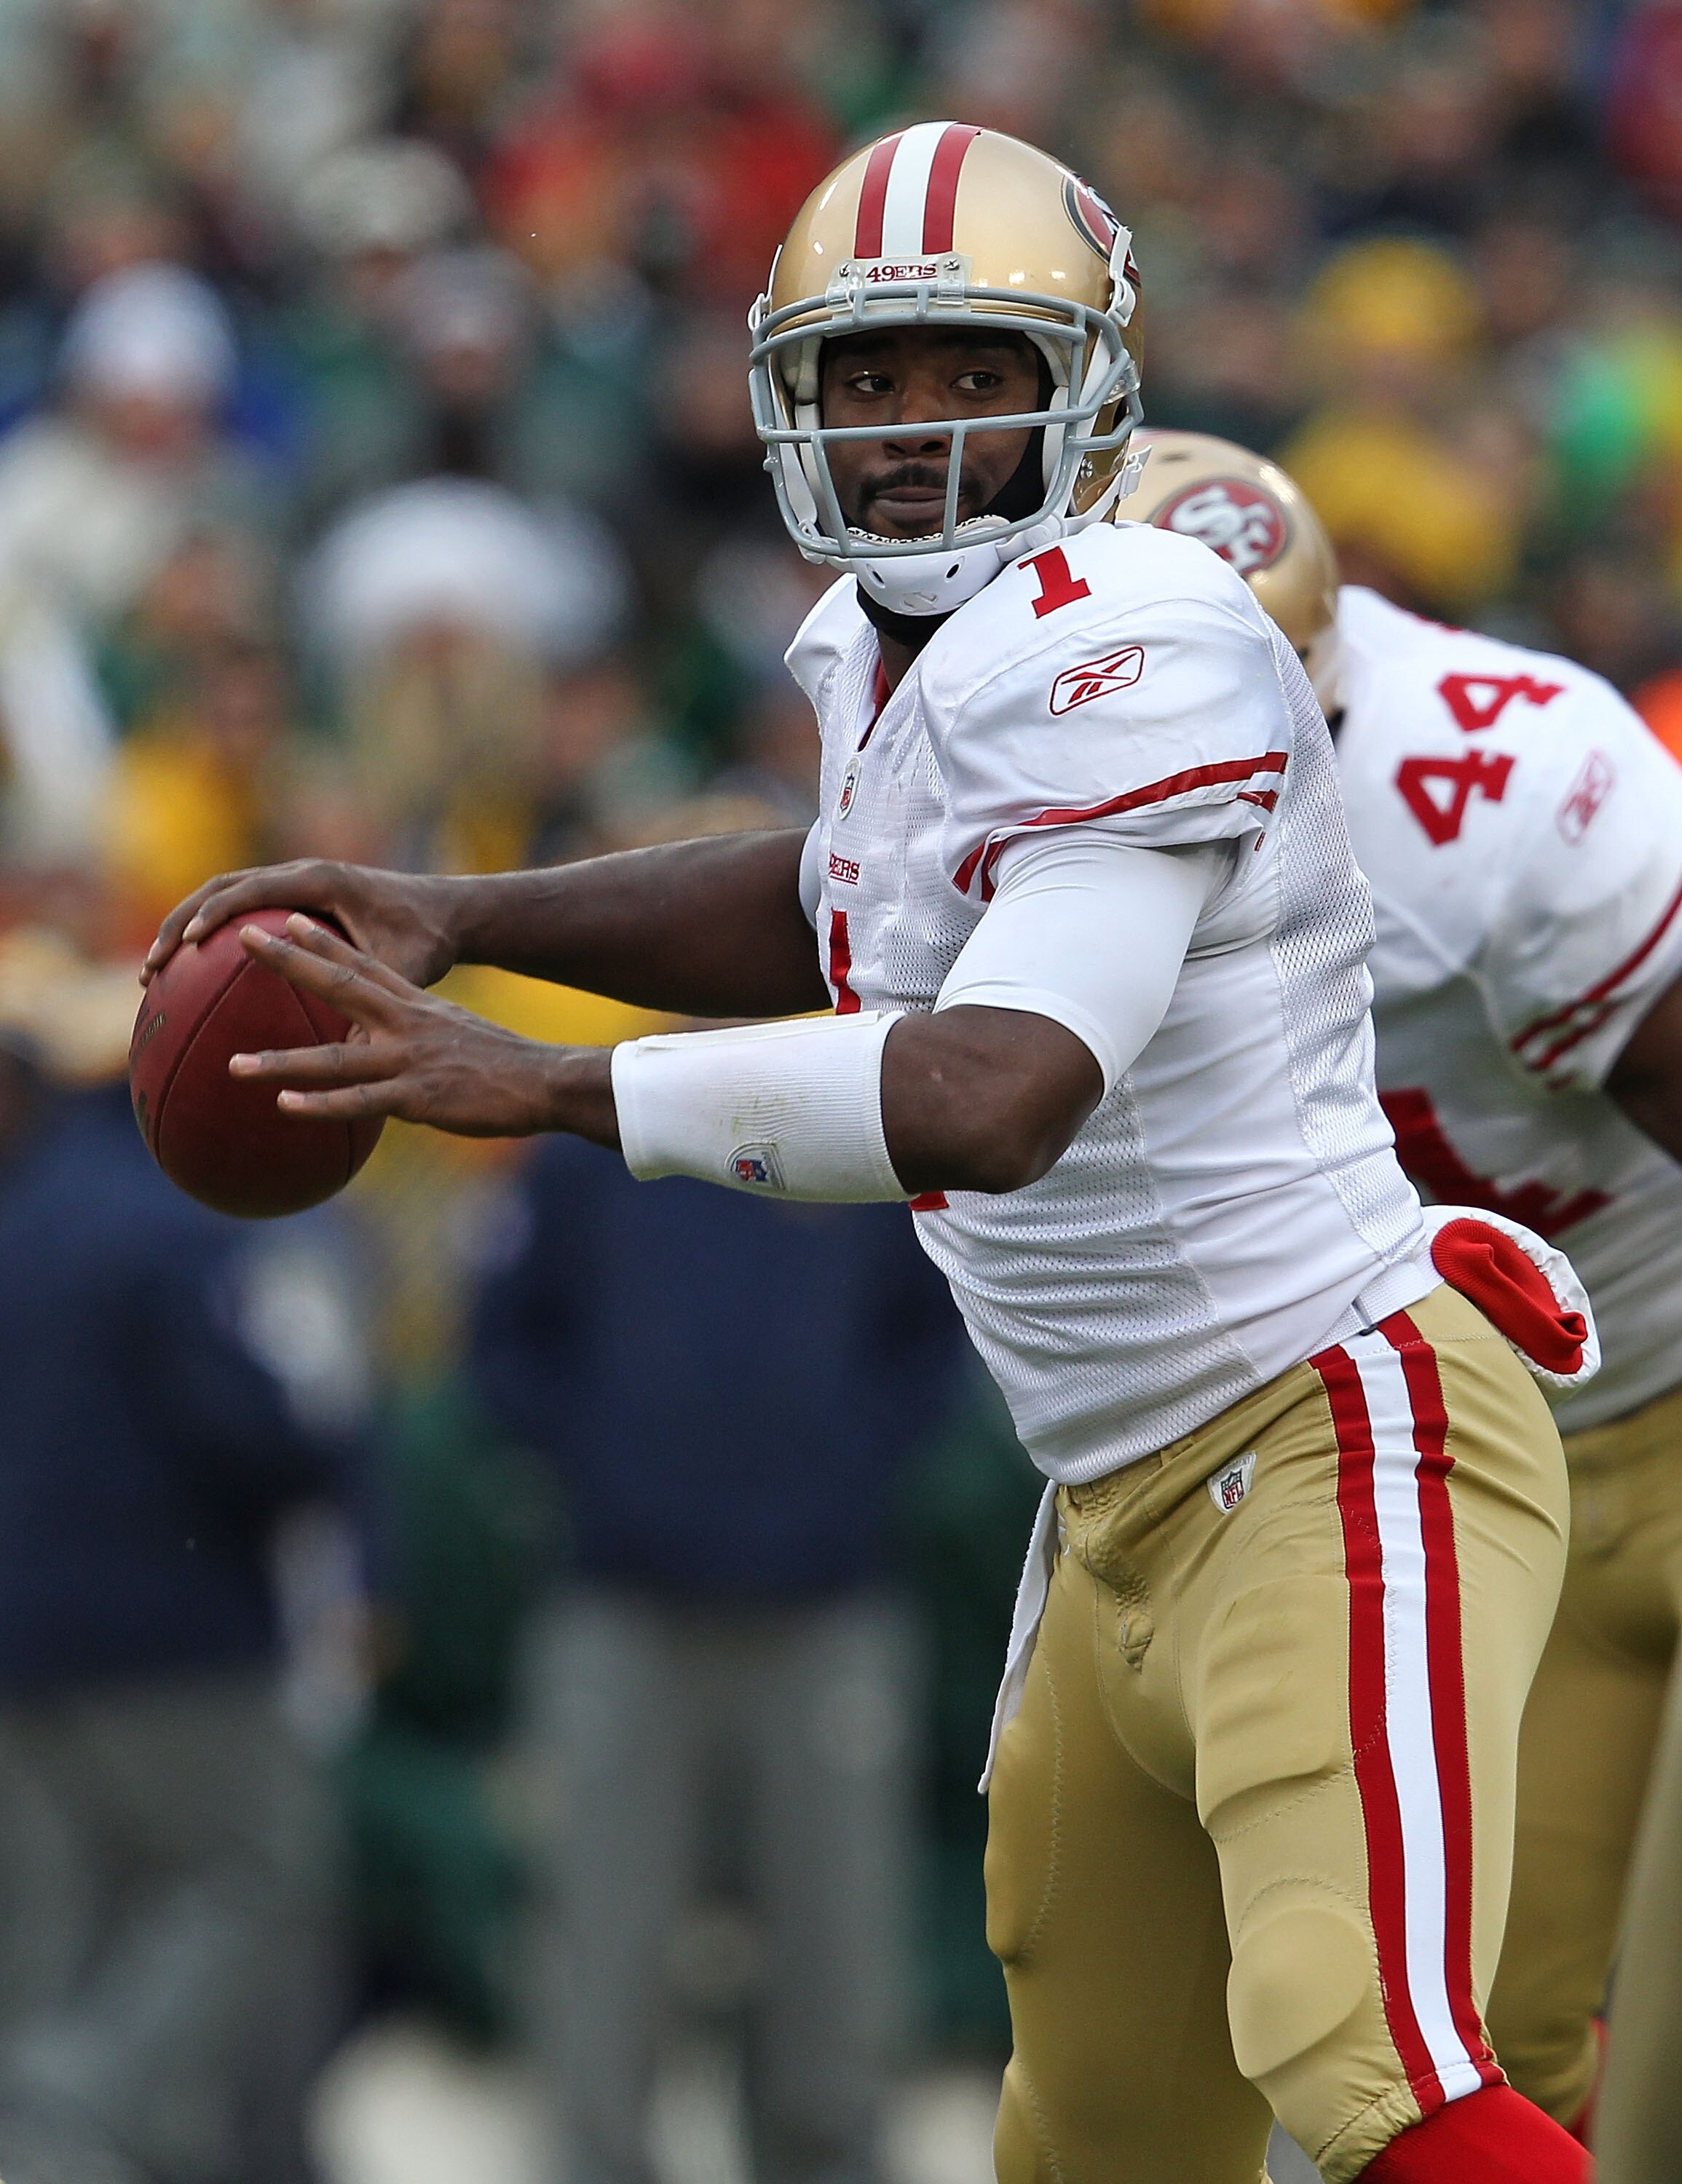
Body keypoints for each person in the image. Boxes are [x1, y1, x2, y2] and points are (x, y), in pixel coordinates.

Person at [145, 124, 1591, 2181]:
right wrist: (458, 911)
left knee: (1366, 2070)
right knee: (1093, 2136)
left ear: (1082, 386)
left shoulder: (1139, 634)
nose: (909, 423)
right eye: (866, 373)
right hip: (1118, 1491)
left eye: (967, 369)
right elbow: (825, 896)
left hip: (1323, 1432)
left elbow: (998, 1090)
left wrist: (553, 1086)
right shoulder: (892, 649)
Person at [1131, 428, 1682, 2151]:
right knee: (1474, 2046)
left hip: (1663, 1378)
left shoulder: (1493, 802)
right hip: (1469, 1469)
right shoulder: (1014, 810)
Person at [470, 1131, 965, 2184]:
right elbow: (504, 1341)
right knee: (604, 1947)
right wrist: (603, 1475)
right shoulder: (591, 1141)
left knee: (837, 1951)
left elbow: (939, 1337)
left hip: (827, 1610)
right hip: (623, 1608)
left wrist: (844, 1477)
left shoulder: (861, 1127)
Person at [0, 983, 362, 2184]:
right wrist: (333, 1447)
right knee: (258, 1876)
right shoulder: (172, 1225)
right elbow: (265, 1436)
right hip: (174, 1634)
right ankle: (64, 2111)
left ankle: (85, 2133)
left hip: (25, 1641)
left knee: (76, 1923)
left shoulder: (26, 1215)